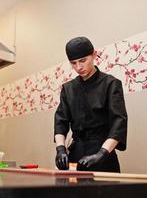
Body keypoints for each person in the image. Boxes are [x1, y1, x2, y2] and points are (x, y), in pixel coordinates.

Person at [54, 37, 128, 172]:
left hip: (102, 153)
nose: (78, 67)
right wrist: (60, 149)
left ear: (94, 55)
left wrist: (102, 154)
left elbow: (119, 122)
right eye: (73, 63)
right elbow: (61, 121)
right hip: (76, 154)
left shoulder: (111, 84)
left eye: (83, 61)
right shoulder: (68, 88)